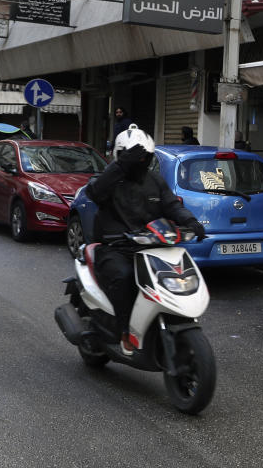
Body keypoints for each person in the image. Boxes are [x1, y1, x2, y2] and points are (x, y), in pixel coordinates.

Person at [86, 124, 206, 355]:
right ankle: (124, 331)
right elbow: (94, 193)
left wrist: (192, 222)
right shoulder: (109, 181)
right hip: (115, 248)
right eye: (134, 158)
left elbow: (172, 205)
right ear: (121, 156)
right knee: (125, 276)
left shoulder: (155, 181)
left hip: (150, 245)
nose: (139, 163)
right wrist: (120, 166)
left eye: (144, 158)